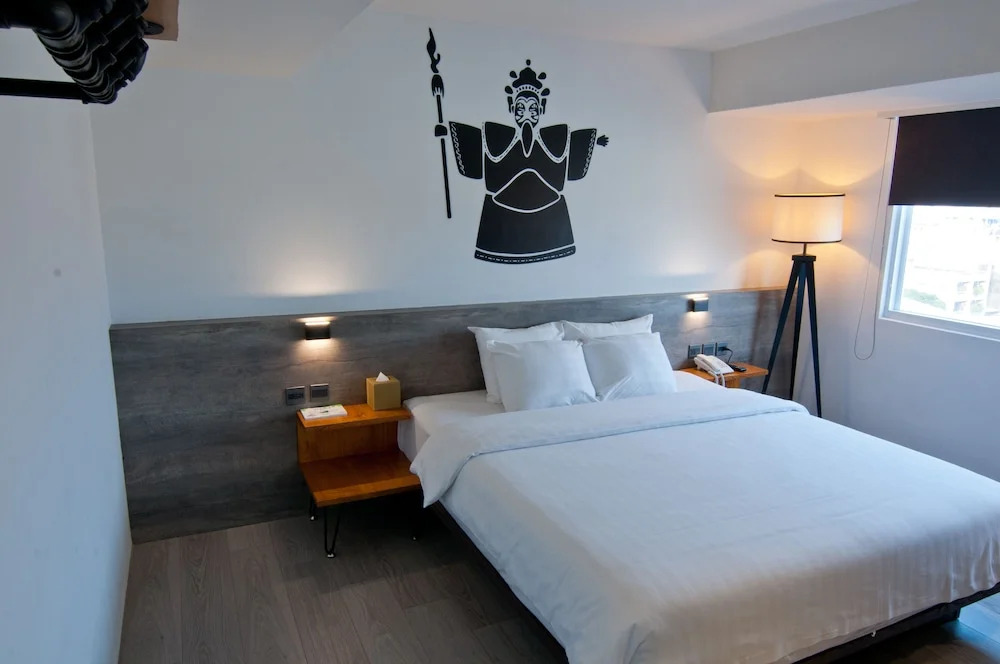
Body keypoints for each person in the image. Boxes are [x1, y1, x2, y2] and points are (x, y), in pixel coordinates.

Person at [439, 60, 609, 264]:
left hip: (550, 221)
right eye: (521, 108)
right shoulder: (495, 136)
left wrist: (594, 141)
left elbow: (573, 152)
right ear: (512, 107)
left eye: (532, 108)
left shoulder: (555, 138)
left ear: (541, 108)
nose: (527, 114)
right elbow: (473, 151)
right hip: (501, 219)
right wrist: (448, 132)